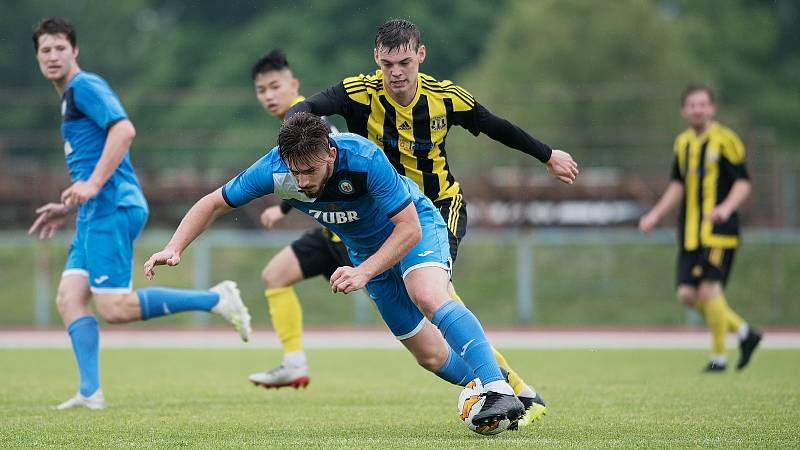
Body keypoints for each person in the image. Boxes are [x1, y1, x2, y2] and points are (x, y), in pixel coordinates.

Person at [144, 112, 527, 428]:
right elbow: (213, 204)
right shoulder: (276, 171)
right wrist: (174, 247)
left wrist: (361, 273)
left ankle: (494, 385)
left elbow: (408, 228)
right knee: (428, 355)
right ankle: (508, 394)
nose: (303, 182)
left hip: (414, 228)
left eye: (311, 170)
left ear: (329, 151)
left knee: (426, 293)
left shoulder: (363, 159)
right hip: (364, 251)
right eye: (296, 173)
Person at [285, 18, 578, 426]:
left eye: (404, 61)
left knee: (434, 295)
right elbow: (304, 111)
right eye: (387, 64)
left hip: (438, 207)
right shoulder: (357, 92)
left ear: (420, 55)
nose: (396, 73)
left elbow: (496, 126)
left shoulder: (445, 98)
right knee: (430, 333)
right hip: (387, 217)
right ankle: (508, 391)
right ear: (376, 60)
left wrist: (547, 155)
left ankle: (516, 393)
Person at [29, 17, 251, 410]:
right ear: (37, 55)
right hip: (93, 210)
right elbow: (90, 161)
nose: (52, 56)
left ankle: (215, 299)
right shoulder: (69, 96)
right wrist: (68, 206)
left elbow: (124, 131)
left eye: (60, 47)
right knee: (69, 297)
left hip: (111, 207)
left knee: (114, 308)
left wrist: (93, 187)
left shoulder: (85, 87)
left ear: (75, 50)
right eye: (45, 49)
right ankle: (90, 392)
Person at [639, 84, 762, 372]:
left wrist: (725, 208)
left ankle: (718, 358)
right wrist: (655, 215)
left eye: (702, 104)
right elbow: (677, 185)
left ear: (712, 108)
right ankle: (745, 333)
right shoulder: (682, 143)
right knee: (686, 295)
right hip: (690, 233)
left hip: (719, 231)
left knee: (709, 292)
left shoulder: (726, 140)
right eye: (692, 104)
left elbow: (743, 182)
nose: (697, 109)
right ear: (684, 110)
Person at [247, 49, 351, 389]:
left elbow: (328, 172)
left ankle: (498, 377)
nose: (269, 96)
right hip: (330, 233)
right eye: (262, 90)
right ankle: (293, 363)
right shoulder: (293, 126)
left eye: (275, 86)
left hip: (355, 237)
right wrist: (283, 207)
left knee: (429, 308)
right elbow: (303, 177)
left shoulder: (311, 121)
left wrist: (281, 207)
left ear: (293, 84)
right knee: (274, 275)